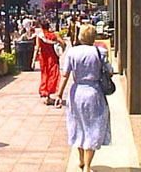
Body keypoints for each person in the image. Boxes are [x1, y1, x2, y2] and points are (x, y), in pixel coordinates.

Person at [55, 24, 111, 172]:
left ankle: (80, 159)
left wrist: (59, 95)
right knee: (93, 127)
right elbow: (110, 72)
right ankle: (87, 165)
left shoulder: (72, 52)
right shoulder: (101, 52)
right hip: (94, 92)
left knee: (78, 125)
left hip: (77, 92)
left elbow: (65, 75)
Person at [31, 20, 66, 105]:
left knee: (45, 75)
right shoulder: (54, 35)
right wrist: (61, 50)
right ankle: (49, 95)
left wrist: (33, 60)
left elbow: (37, 48)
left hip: (43, 59)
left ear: (41, 27)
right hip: (53, 58)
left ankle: (45, 95)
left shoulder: (39, 36)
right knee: (53, 75)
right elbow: (63, 43)